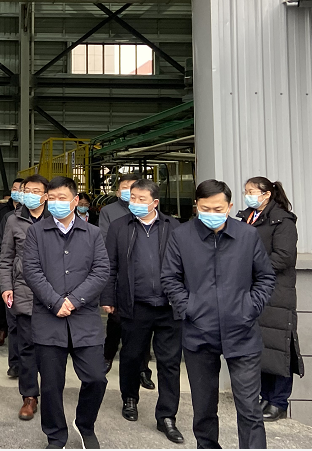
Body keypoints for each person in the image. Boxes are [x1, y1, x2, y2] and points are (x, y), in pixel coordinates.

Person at [161, 179, 276, 449]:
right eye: (205, 209)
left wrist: (250, 308)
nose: (211, 214)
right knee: (203, 409)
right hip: (199, 333)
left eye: (218, 209)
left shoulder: (247, 235)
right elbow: (170, 278)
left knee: (249, 408)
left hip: (242, 332)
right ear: (196, 206)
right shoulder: (181, 236)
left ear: (229, 207)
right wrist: (189, 308)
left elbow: (265, 277)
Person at [23, 175, 110, 449]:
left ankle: (85, 424)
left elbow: (101, 271)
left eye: (63, 198)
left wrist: (73, 301)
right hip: (48, 319)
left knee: (96, 377)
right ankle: (55, 435)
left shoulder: (93, 233)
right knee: (51, 385)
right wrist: (54, 302)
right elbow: (31, 270)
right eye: (52, 198)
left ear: (75, 201)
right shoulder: (36, 232)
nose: (57, 203)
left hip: (84, 319)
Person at [101, 179, 185, 444]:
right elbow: (110, 265)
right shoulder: (119, 227)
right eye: (133, 197)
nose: (135, 202)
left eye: (141, 199)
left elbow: (185, 265)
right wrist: (108, 297)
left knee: (169, 362)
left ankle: (167, 416)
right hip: (134, 304)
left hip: (169, 306)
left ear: (155, 202)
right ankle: (129, 398)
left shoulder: (173, 227)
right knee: (131, 355)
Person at [236, 177, 303, 422]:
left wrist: (254, 268)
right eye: (246, 191)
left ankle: (278, 401)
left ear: (266, 194)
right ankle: (264, 396)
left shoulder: (282, 220)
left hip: (276, 291)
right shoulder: (247, 218)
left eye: (252, 191)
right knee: (261, 345)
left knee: (279, 345)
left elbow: (283, 257)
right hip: (253, 290)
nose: (248, 196)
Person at [0, 174, 50, 422]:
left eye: (36, 191)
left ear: (46, 195)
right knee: (26, 346)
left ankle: (51, 392)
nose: (30, 195)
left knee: (50, 349)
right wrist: (6, 287)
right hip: (23, 290)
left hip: (52, 292)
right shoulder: (14, 219)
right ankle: (29, 396)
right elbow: (6, 258)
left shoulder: (56, 218)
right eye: (26, 190)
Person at [99, 173, 154, 390]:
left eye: (133, 186)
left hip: (141, 285)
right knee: (115, 324)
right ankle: (107, 356)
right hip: (120, 280)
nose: (130, 191)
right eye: (125, 187)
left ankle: (143, 369)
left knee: (143, 331)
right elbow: (106, 244)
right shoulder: (110, 212)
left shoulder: (153, 216)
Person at [0, 178, 24, 347]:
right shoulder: (2, 212)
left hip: (23, 267)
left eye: (21, 189)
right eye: (15, 189)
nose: (18, 192)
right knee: (3, 295)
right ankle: (2, 328)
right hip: (4, 262)